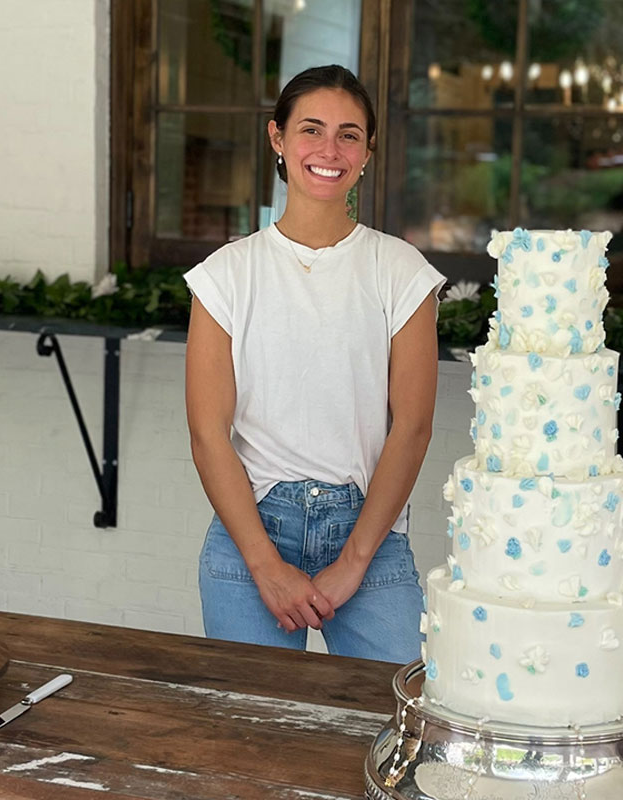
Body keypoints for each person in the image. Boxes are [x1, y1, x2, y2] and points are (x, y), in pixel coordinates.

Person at [182, 65, 445, 663]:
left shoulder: (400, 271)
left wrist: (353, 563)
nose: (330, 150)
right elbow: (207, 433)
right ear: (277, 138)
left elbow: (413, 427)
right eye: (312, 130)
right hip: (252, 533)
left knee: (397, 725)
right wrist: (264, 565)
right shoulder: (225, 275)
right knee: (255, 734)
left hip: (369, 535)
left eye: (349, 134)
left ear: (368, 152)